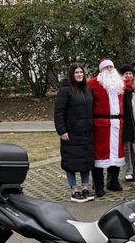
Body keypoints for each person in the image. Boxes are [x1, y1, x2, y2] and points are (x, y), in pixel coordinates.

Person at [54, 63, 94, 202]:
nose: (79, 75)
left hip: (87, 133)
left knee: (86, 162)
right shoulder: (65, 91)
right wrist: (62, 130)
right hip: (71, 133)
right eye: (76, 72)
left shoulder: (87, 90)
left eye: (81, 72)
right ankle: (74, 190)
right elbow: (58, 112)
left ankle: (85, 188)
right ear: (72, 74)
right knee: (70, 162)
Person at [88, 59, 126, 197]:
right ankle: (98, 185)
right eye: (106, 67)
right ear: (101, 70)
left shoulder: (120, 83)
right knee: (99, 156)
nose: (109, 69)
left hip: (117, 123)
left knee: (116, 154)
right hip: (100, 124)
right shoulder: (92, 84)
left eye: (111, 66)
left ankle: (113, 181)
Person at [118, 65, 135, 182]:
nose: (128, 76)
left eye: (130, 74)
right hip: (124, 120)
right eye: (126, 74)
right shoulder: (119, 88)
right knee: (126, 148)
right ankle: (128, 170)